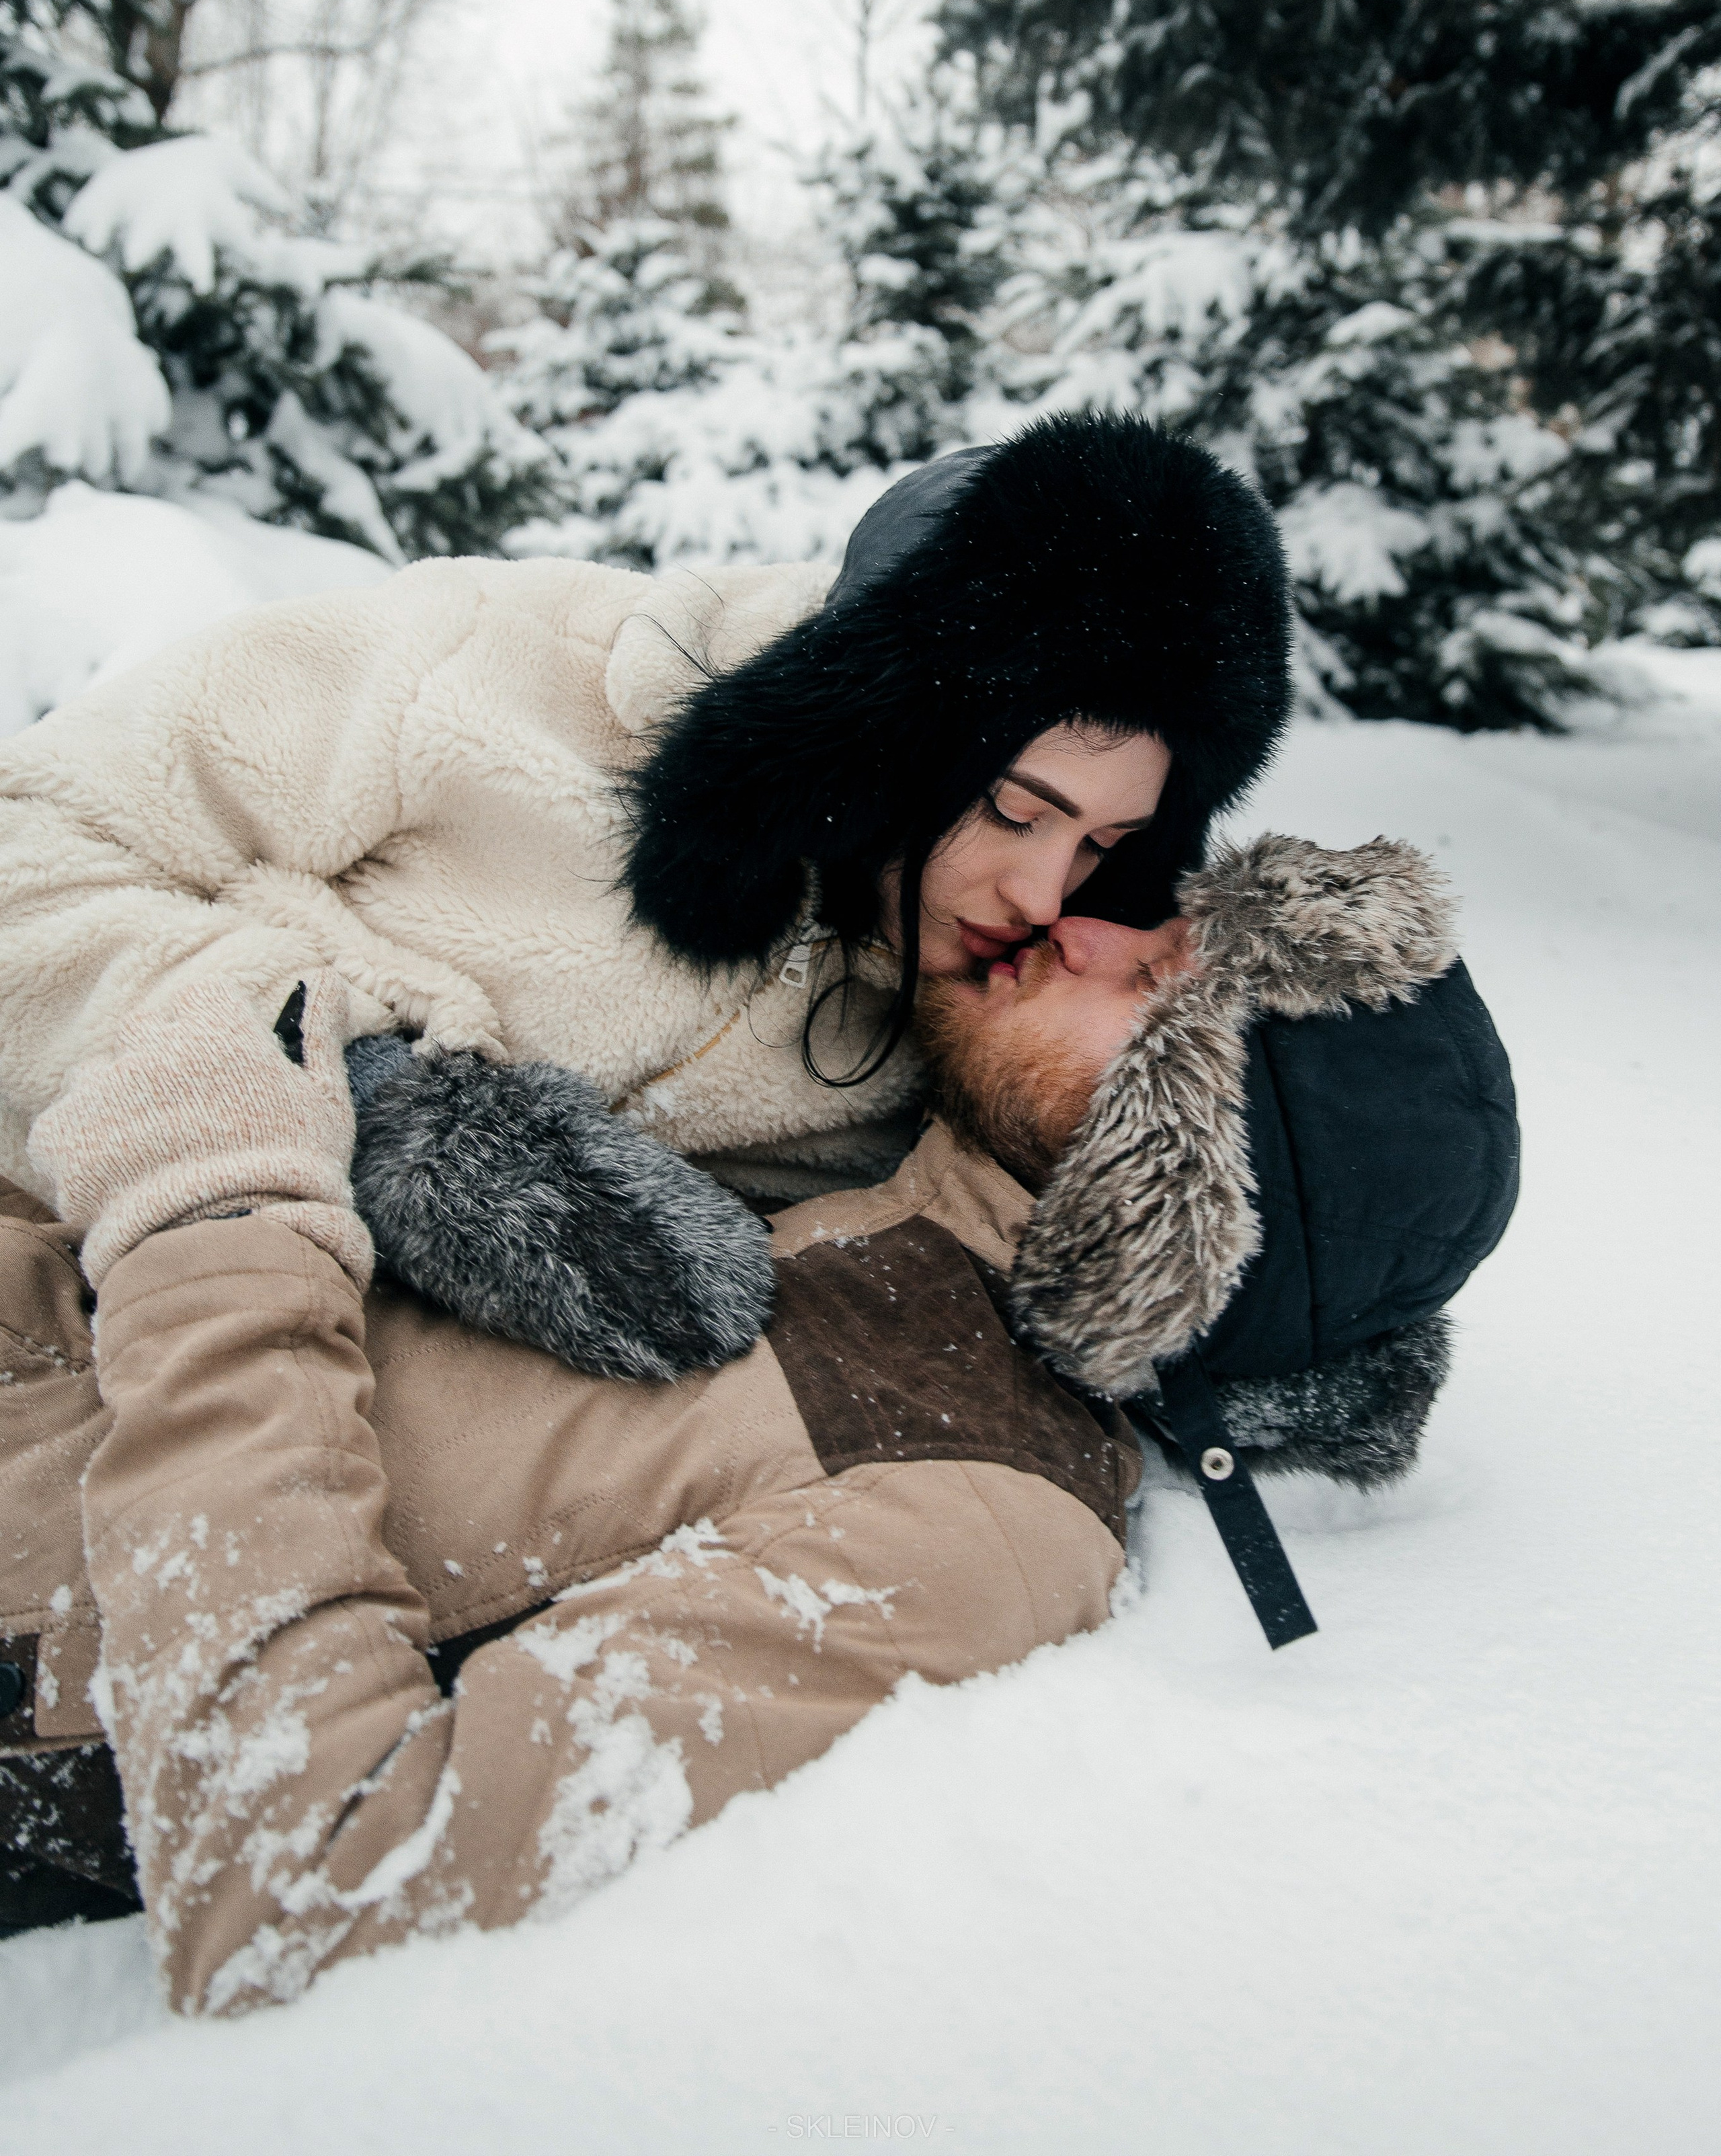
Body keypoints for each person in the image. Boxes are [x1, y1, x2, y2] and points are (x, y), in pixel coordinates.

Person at [0, 830, 1517, 2007]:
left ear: (1181, 1172)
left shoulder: (969, 1515)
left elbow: (312, 1889)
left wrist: (220, 1220)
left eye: (1158, 982)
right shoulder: (886, 1181)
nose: (1082, 919)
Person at [0, 415, 1291, 1378]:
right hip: (60, 1235)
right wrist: (371, 1110)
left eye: (1105, 843)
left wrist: (1306, 1327)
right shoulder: (488, 664)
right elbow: (31, 843)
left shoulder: (985, 999)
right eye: (1015, 810)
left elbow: (1108, 1173)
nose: (1040, 889)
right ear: (891, 726)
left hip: (300, 1409)